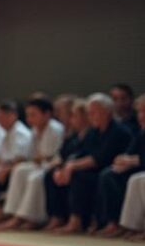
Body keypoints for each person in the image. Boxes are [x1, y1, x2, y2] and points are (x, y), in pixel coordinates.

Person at [46, 93, 132, 235]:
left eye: (94, 113)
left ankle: (80, 221)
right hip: (95, 169)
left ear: (107, 112)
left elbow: (99, 158)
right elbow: (81, 153)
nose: (91, 116)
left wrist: (72, 166)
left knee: (80, 176)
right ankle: (58, 217)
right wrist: (63, 168)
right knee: (53, 174)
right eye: (89, 113)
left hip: (112, 169)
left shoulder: (119, 131)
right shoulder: (94, 132)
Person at [0, 97, 66, 230]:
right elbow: (31, 155)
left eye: (33, 115)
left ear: (47, 114)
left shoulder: (55, 129)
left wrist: (38, 158)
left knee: (35, 178)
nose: (29, 119)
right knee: (19, 170)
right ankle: (13, 213)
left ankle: (31, 218)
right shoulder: (34, 130)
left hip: (52, 165)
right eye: (28, 115)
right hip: (38, 164)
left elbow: (50, 156)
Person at [95, 95, 145, 237]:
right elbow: (130, 152)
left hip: (140, 169)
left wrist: (133, 161)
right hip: (138, 169)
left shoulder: (120, 130)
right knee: (109, 174)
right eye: (140, 112)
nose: (141, 116)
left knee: (137, 180)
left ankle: (138, 226)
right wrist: (122, 160)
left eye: (144, 112)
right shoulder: (141, 131)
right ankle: (120, 224)